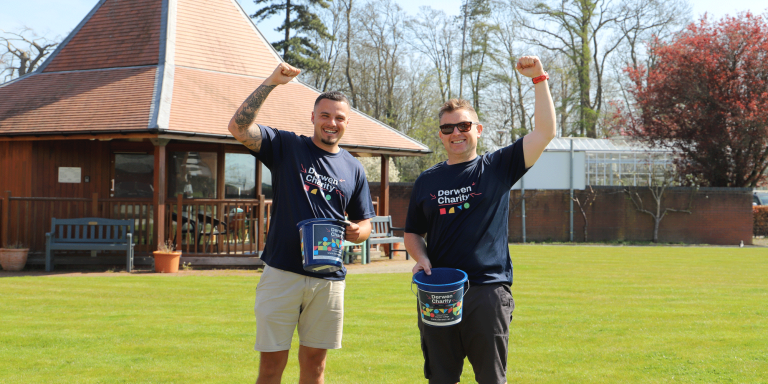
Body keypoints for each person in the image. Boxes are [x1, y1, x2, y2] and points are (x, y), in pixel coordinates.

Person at [404, 56, 556, 384]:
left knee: (491, 379)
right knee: (440, 378)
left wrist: (539, 78)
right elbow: (413, 232)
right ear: (441, 135)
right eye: (448, 128)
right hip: (438, 291)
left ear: (478, 130)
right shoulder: (426, 181)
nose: (456, 133)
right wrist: (422, 257)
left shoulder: (498, 167)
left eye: (464, 126)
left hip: (487, 292)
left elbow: (545, 132)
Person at [228, 62, 375, 384]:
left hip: (328, 279)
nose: (331, 123)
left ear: (347, 123)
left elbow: (366, 223)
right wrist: (270, 83)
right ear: (313, 117)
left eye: (339, 118)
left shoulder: (353, 168)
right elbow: (239, 128)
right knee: (270, 369)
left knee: (316, 367)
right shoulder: (287, 147)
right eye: (325, 115)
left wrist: (356, 232)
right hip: (282, 273)